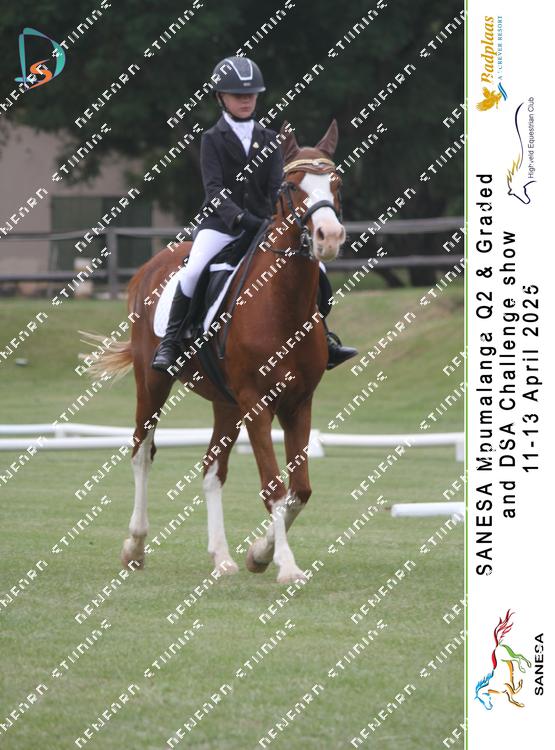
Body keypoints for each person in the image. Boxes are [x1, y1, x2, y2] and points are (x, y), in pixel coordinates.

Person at [152, 55, 357, 373]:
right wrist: (240, 219)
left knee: (317, 268)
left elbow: (276, 186)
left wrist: (274, 221)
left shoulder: (270, 139)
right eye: (238, 95)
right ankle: (171, 341)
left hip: (264, 224)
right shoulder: (212, 139)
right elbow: (214, 190)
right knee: (193, 271)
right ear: (221, 97)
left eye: (250, 94)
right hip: (221, 225)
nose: (245, 100)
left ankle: (323, 336)